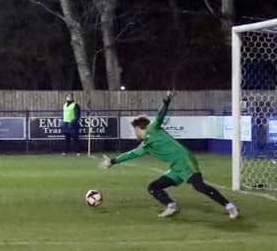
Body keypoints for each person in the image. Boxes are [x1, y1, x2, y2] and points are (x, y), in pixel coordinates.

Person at [100, 91, 239, 219]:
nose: (134, 133)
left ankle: (230, 206)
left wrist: (166, 102)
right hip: (176, 168)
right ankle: (171, 206)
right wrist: (112, 161)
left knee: (199, 186)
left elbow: (160, 115)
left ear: (137, 128)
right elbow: (131, 154)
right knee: (153, 187)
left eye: (134, 130)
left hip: (185, 160)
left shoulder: (153, 129)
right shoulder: (145, 145)